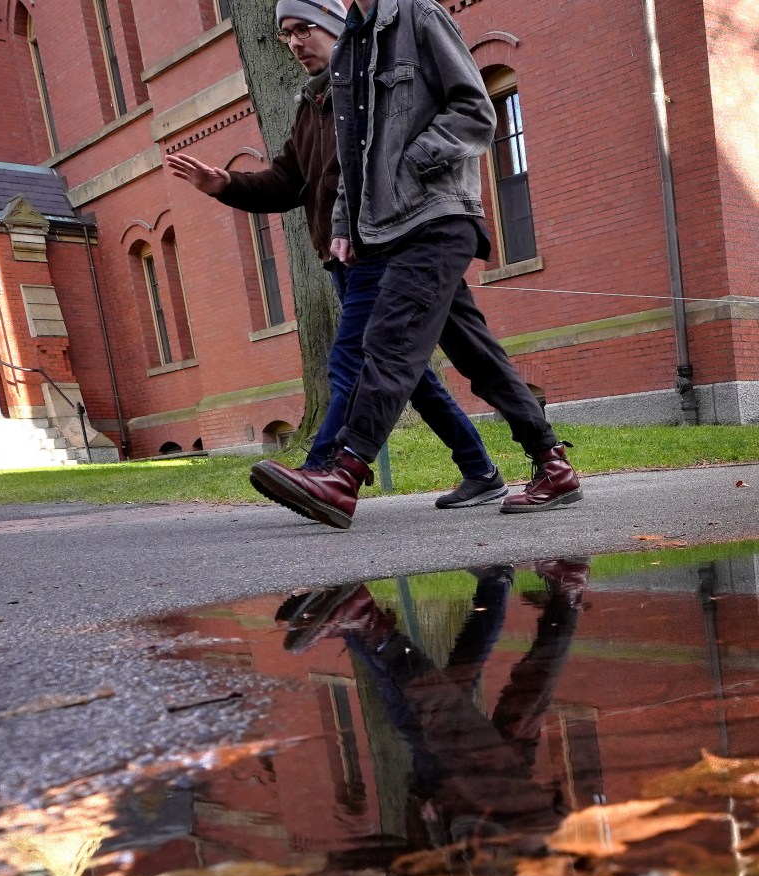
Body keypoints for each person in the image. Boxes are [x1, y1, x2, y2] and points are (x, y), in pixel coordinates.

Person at [247, 0, 579, 528]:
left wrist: (412, 165)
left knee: (391, 341)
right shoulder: (351, 46)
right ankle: (553, 465)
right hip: (385, 227)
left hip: (436, 217)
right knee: (477, 357)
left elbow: (475, 108)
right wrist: (343, 228)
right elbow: (349, 159)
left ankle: (342, 474)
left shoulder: (418, 17)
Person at [166, 0, 505, 509]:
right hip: (340, 257)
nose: (297, 43)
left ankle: (324, 469)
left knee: (353, 358)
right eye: (286, 35)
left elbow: (434, 134)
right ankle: (481, 470)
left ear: (335, 27)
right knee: (411, 376)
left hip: (383, 248)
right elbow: (287, 182)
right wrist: (225, 184)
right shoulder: (311, 106)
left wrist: (402, 184)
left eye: (305, 28)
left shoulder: (368, 91)